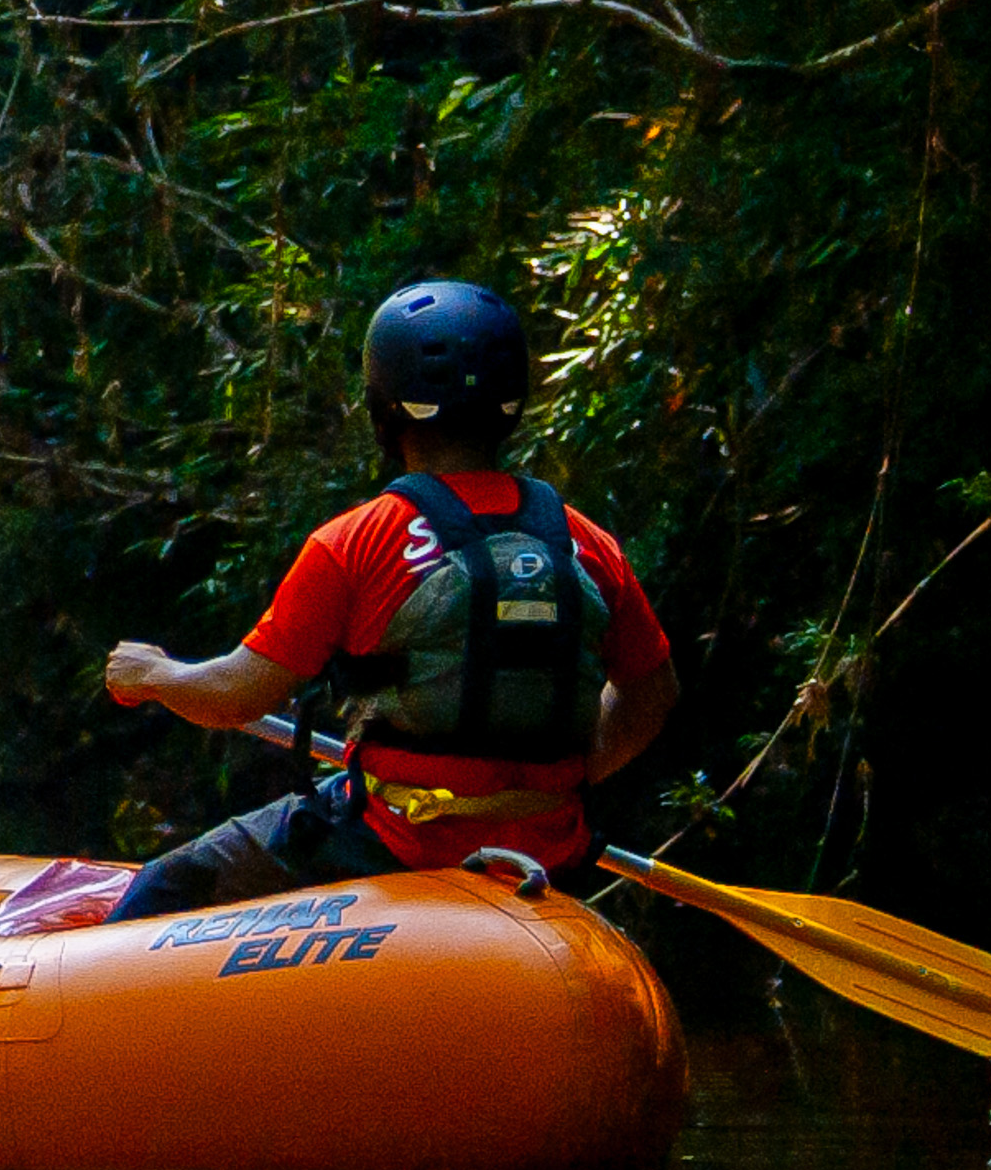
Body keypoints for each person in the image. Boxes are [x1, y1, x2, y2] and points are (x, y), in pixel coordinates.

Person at [84, 274, 674, 923]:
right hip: (550, 847)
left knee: (168, 888)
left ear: (384, 408)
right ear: (514, 402)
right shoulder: (587, 543)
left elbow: (238, 696)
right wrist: (573, 772)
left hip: (394, 844)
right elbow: (652, 694)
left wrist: (156, 674)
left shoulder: (358, 542)